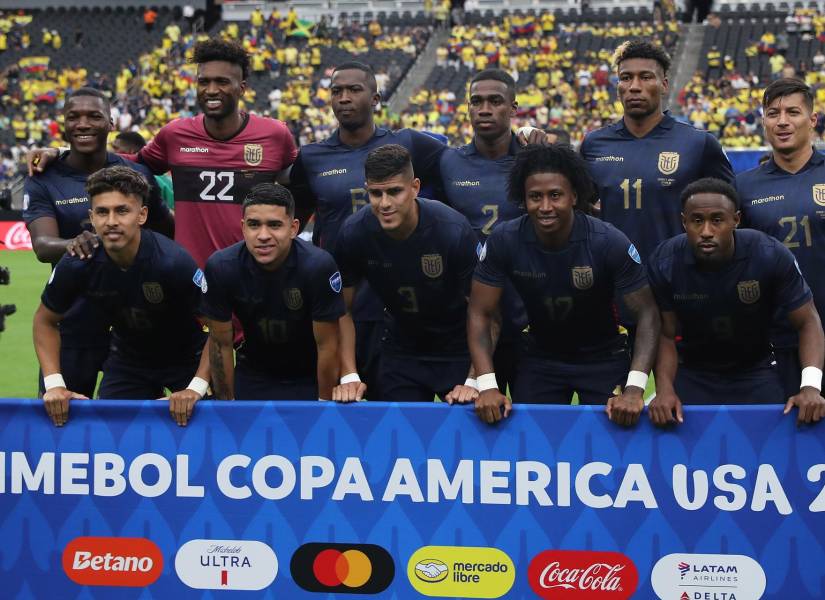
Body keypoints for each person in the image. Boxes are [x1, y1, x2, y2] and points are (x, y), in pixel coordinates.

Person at [28, 37, 297, 268]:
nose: (212, 90)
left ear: (243, 87)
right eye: (204, 81)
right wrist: (62, 150)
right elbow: (126, 165)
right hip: (190, 275)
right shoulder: (175, 134)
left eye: (222, 82)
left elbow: (301, 184)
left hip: (255, 272)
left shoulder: (274, 134)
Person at [469, 144, 660, 425]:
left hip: (603, 358)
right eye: (535, 197)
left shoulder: (608, 241)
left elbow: (648, 313)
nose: (545, 206)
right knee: (532, 442)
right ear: (523, 199)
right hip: (539, 357)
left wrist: (634, 387)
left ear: (574, 196)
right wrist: (485, 385)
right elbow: (480, 312)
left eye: (555, 195)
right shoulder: (504, 240)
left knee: (613, 444)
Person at [288, 61, 447, 400]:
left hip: (395, 298)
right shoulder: (312, 156)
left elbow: (465, 166)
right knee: (333, 404)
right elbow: (295, 218)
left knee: (393, 408)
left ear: (376, 99)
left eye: (354, 90)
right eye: (336, 91)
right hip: (335, 299)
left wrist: (521, 141)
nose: (344, 98)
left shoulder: (409, 144)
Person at [23, 87, 173, 400]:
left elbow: (167, 232)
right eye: (73, 117)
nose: (83, 123)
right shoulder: (44, 176)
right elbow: (42, 244)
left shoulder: (137, 174)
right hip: (72, 325)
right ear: (63, 125)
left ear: (111, 123)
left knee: (134, 428)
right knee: (61, 420)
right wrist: (77, 243)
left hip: (135, 327)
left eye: (94, 116)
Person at [32, 166, 209, 427]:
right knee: (113, 434)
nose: (111, 221)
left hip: (188, 359)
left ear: (142, 215)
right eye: (103, 212)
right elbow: (44, 321)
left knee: (204, 432)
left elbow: (218, 327)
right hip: (129, 359)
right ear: (92, 217)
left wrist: (197, 387)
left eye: (122, 211)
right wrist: (55, 385)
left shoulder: (172, 261)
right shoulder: (78, 261)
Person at [646, 178, 825, 425]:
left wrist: (811, 387)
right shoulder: (665, 262)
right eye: (697, 221)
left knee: (769, 450)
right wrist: (665, 389)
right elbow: (666, 334)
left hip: (756, 369)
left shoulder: (769, 254)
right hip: (693, 371)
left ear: (736, 220)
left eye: (717, 220)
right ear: (684, 222)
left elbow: (808, 321)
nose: (706, 231)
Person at [332, 144, 479, 403]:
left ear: (415, 187)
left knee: (463, 438)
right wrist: (349, 374)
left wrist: (475, 379)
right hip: (400, 349)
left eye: (395, 191)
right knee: (397, 438)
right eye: (376, 194)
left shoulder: (452, 230)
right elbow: (341, 308)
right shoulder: (354, 232)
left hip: (458, 349)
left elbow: (484, 312)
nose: (385, 203)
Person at [581, 40, 734, 261]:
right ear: (618, 88)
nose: (634, 86)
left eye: (645, 77)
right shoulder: (594, 144)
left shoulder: (698, 143)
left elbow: (730, 211)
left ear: (664, 85)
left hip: (679, 279)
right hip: (614, 281)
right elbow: (580, 211)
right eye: (626, 78)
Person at [201, 183, 344, 400]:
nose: (263, 235)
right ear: (243, 227)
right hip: (253, 371)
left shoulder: (318, 266)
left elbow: (327, 346)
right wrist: (227, 407)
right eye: (254, 225)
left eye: (274, 225)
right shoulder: (221, 266)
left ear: (294, 228)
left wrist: (323, 405)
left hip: (308, 375)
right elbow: (220, 343)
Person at [436, 68, 527, 399]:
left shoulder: (534, 160)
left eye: (495, 101)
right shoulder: (448, 162)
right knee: (471, 413)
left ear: (514, 108)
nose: (485, 109)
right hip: (469, 313)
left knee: (532, 417)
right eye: (477, 101)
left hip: (526, 310)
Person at [736, 78, 825, 398]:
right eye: (773, 113)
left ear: (812, 119)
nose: (783, 121)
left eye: (793, 112)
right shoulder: (743, 187)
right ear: (764, 121)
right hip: (772, 340)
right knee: (778, 441)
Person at [112, 130, 175, 211]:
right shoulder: (164, 178)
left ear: (131, 151)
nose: (112, 152)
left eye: (115, 148)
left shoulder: (146, 178)